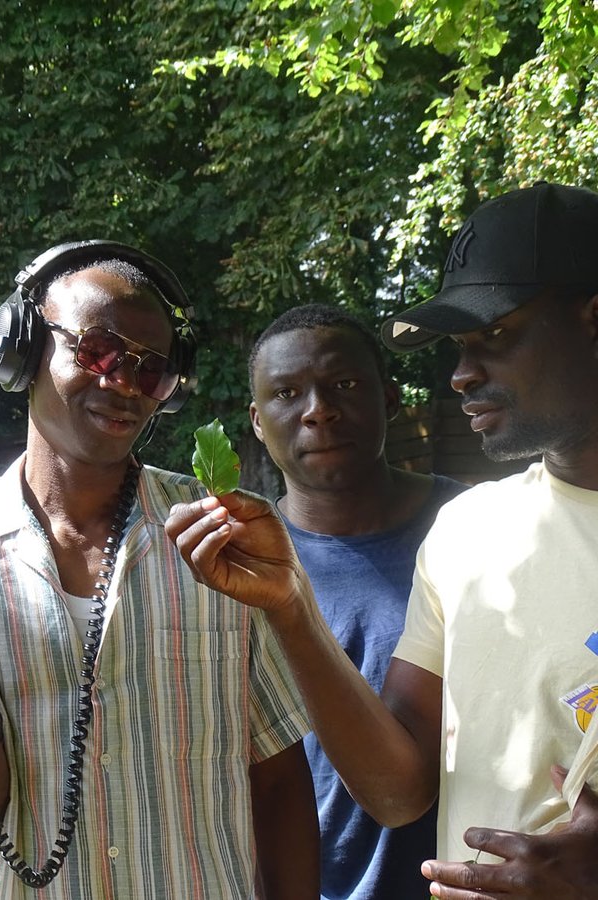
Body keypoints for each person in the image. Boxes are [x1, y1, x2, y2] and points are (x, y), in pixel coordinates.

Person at [167, 182, 598, 899]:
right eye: (458, 347)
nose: (462, 373)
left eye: (494, 336)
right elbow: (398, 794)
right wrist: (289, 604)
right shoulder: (467, 533)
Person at [0, 241, 319, 899]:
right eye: (97, 351)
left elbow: (278, 776)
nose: (123, 384)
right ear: (20, 348)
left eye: (151, 371)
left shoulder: (227, 533)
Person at [248, 303, 467, 898]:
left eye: (343, 384)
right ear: (256, 421)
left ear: (389, 398)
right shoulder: (235, 561)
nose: (319, 410)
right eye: (287, 393)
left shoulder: (477, 530)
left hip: (456, 878)